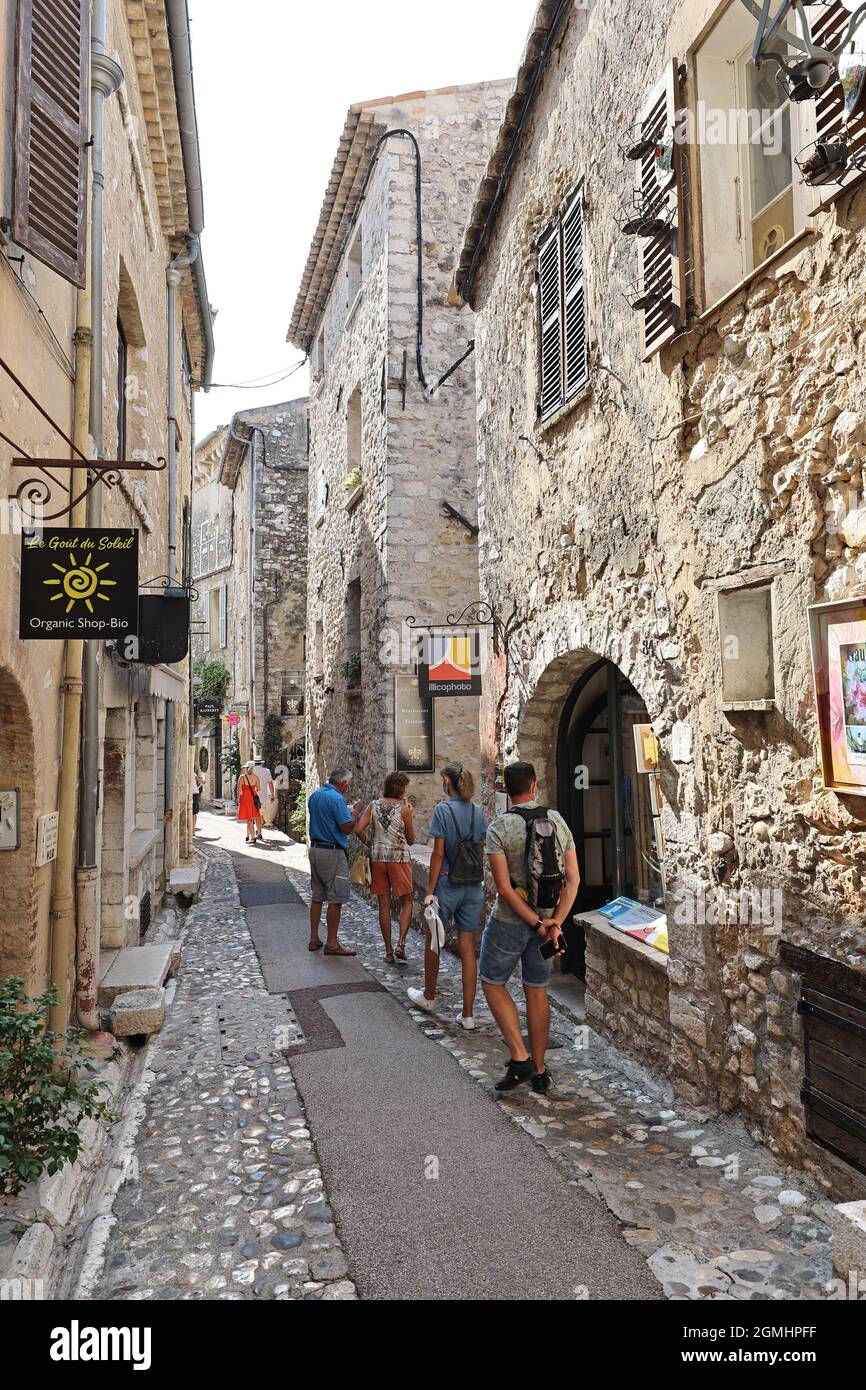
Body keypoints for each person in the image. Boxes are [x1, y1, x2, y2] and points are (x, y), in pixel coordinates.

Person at [481, 760, 580, 1095]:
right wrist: (554, 923)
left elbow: (504, 889)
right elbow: (574, 878)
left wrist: (537, 923)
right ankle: (540, 1072)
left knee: (492, 981)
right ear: (535, 786)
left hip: (510, 922)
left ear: (506, 790)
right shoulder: (557, 820)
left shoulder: (499, 827)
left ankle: (520, 1057)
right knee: (537, 990)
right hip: (548, 923)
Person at [408, 762, 487, 1029]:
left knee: (433, 940)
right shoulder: (478, 811)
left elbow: (438, 853)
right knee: (467, 947)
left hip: (447, 884)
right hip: (474, 886)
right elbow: (480, 847)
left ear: (448, 783)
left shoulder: (443, 810)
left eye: (443, 780)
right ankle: (467, 1014)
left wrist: (430, 891)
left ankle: (429, 996)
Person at [355, 772, 415, 965]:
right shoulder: (404, 808)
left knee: (384, 905)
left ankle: (388, 951)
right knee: (407, 901)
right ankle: (401, 944)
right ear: (401, 789)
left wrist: (370, 843)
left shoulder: (374, 805)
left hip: (378, 859)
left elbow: (358, 829)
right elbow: (412, 840)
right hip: (398, 858)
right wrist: (409, 815)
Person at [307, 767, 362, 957]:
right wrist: (355, 812)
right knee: (336, 898)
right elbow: (346, 827)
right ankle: (332, 943)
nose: (349, 787)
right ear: (343, 783)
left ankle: (314, 938)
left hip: (315, 849)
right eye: (348, 783)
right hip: (332, 851)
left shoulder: (315, 795)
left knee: (317, 896)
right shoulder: (337, 798)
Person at [237, 762, 260, 845]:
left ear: (247, 768)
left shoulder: (242, 777)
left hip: (245, 798)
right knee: (250, 817)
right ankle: (248, 835)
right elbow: (258, 789)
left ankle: (253, 838)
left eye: (246, 768)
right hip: (253, 798)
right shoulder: (256, 777)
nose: (245, 769)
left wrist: (238, 799)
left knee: (249, 819)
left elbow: (239, 789)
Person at [254, 758, 276, 840]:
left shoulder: (252, 771)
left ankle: (259, 833)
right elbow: (270, 783)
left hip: (255, 796)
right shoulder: (266, 771)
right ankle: (258, 830)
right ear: (261, 763)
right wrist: (273, 795)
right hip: (264, 796)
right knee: (261, 815)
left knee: (257, 815)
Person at [191, 767, 205, 834]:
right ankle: (193, 830)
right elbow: (201, 781)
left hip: (191, 794)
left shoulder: (192, 773)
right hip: (194, 794)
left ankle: (192, 829)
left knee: (193, 813)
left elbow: (200, 780)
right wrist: (203, 781)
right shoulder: (192, 773)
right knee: (194, 813)